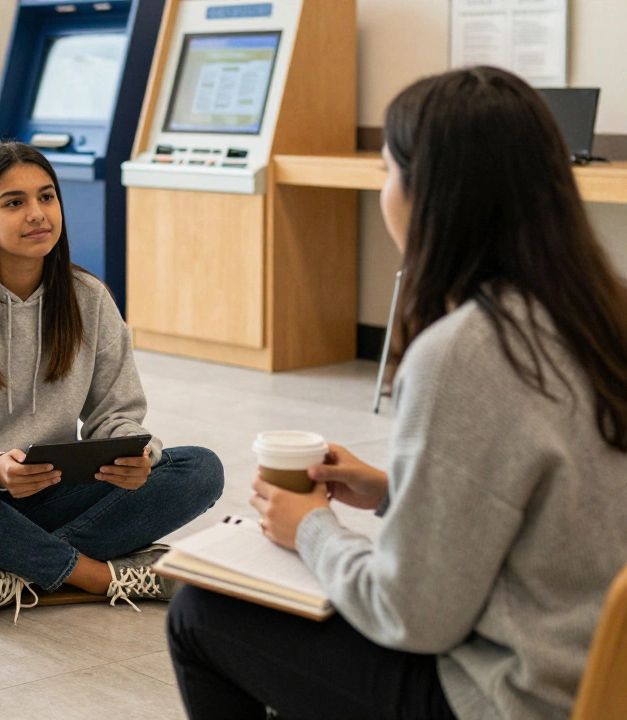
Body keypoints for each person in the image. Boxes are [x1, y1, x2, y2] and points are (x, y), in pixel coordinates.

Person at [166, 67, 627, 720]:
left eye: (387, 171)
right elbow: (561, 504)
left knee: (200, 612)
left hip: (511, 698)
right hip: (602, 680)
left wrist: (313, 530)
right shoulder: (603, 313)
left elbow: (413, 614)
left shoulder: (464, 352)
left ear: (431, 193)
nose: (385, 193)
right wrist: (389, 489)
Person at [0, 141, 225, 620]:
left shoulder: (90, 298)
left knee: (200, 468)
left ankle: (11, 569)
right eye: (14, 202)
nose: (37, 214)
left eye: (47, 197)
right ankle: (94, 574)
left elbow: (116, 415)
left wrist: (135, 455)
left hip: (58, 498)